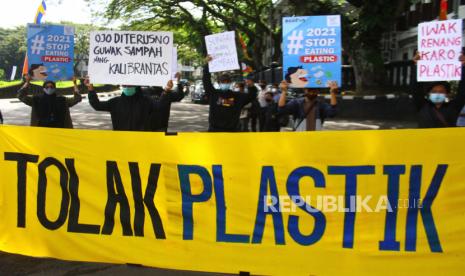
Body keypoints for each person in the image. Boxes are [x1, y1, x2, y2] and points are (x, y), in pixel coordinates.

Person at [86, 79, 173, 131]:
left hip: (141, 142)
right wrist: (90, 89)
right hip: (121, 141)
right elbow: (97, 105)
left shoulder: (146, 101)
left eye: (130, 85)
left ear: (136, 86)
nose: (127, 87)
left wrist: (166, 91)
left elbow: (160, 105)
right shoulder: (115, 102)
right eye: (125, 85)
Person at [202, 55, 258, 132]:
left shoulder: (237, 96)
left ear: (230, 83)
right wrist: (207, 65)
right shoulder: (213, 94)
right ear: (219, 83)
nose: (225, 83)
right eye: (223, 82)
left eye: (227, 82)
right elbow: (206, 81)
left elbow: (252, 96)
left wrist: (251, 86)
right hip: (214, 131)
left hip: (232, 132)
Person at [412, 52, 465, 128]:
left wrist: (463, 67)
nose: (437, 94)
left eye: (441, 92)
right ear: (429, 93)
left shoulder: (454, 107)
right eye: (434, 92)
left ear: (447, 94)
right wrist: (417, 66)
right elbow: (416, 88)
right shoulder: (422, 106)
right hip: (425, 139)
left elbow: (463, 91)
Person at [18, 75, 82, 128]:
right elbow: (21, 96)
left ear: (54, 88)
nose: (49, 88)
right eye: (47, 87)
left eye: (51, 87)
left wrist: (74, 83)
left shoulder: (62, 100)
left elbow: (77, 98)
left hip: (60, 129)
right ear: (43, 89)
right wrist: (27, 82)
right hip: (41, 130)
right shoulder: (36, 99)